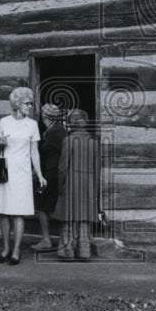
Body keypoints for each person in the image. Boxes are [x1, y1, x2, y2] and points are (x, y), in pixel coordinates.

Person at [0, 87, 46, 265]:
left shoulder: (32, 125)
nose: (31, 106)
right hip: (4, 171)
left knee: (18, 212)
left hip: (22, 173)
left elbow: (34, 152)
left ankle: (16, 251)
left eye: (31, 103)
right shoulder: (4, 122)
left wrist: (40, 174)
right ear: (17, 104)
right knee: (4, 212)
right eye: (28, 103)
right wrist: (0, 145)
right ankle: (5, 249)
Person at [54, 109, 101, 261]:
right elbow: (97, 169)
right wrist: (94, 188)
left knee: (68, 217)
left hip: (72, 182)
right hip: (88, 184)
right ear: (85, 122)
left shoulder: (68, 140)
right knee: (84, 217)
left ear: (71, 123)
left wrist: (60, 185)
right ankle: (84, 252)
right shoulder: (94, 142)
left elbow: (62, 167)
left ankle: (67, 252)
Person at [32, 103, 67, 252]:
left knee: (44, 206)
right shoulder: (52, 130)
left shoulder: (57, 132)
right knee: (45, 206)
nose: (42, 118)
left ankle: (49, 240)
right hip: (50, 174)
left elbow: (65, 153)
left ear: (47, 117)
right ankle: (57, 241)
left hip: (54, 175)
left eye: (43, 116)